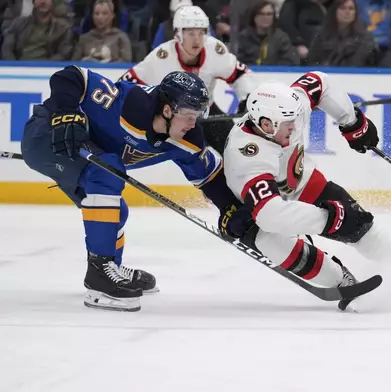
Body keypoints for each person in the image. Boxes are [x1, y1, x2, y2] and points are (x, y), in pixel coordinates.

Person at [222, 72, 391, 310]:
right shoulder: (247, 156)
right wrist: (327, 218)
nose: (295, 125)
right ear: (266, 125)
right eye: (288, 123)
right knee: (273, 244)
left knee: (371, 235)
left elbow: (320, 83)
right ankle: (343, 282)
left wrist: (352, 122)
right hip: (258, 209)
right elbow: (270, 214)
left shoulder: (290, 108)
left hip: (303, 184)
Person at [20, 68, 249, 312]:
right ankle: (99, 275)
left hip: (85, 154)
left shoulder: (187, 138)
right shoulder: (128, 104)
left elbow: (210, 177)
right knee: (108, 169)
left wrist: (230, 208)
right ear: (168, 109)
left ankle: (110, 270)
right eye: (189, 114)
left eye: (198, 114)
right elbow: (70, 76)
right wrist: (67, 113)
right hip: (47, 136)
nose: (194, 123)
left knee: (115, 212)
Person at [119, 5, 256, 153]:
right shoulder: (161, 58)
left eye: (201, 33)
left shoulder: (214, 50)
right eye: (191, 33)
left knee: (235, 149)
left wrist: (247, 98)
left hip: (207, 110)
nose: (197, 40)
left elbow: (241, 74)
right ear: (178, 34)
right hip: (174, 118)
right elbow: (126, 85)